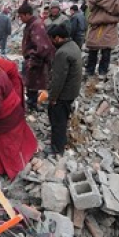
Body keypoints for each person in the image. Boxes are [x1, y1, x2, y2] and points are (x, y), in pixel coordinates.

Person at [45, 25, 82, 155]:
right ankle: (60, 142)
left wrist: (53, 97)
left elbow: (58, 79)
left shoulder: (62, 53)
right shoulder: (73, 45)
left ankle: (57, 148)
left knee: (57, 120)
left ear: (58, 38)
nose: (50, 42)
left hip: (63, 94)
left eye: (51, 39)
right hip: (71, 91)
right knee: (62, 119)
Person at [18, 0, 55, 111]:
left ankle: (32, 104)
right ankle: (32, 103)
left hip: (36, 60)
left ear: (27, 14)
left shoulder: (36, 25)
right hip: (32, 59)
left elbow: (43, 46)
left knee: (34, 83)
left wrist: (32, 57)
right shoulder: (31, 24)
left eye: (21, 16)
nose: (20, 19)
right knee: (31, 83)